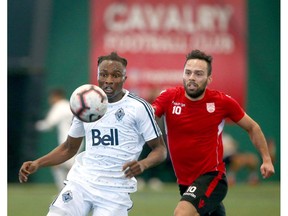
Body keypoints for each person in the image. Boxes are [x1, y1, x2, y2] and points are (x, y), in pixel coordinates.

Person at [19, 52, 167, 216]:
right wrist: (38, 163)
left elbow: (160, 149)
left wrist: (143, 164)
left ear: (124, 78)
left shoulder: (138, 107)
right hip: (82, 182)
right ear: (97, 75)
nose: (109, 80)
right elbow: (69, 148)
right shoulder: (85, 102)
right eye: (103, 74)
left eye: (116, 75)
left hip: (115, 190)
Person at [152, 49, 275, 216]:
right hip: (185, 182)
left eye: (198, 74)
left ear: (209, 78)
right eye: (188, 72)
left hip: (212, 177)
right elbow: (148, 117)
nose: (192, 78)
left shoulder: (222, 102)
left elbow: (253, 127)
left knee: (182, 213)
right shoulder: (169, 97)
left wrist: (266, 160)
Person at [35, 88, 81, 191]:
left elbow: (49, 124)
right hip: (78, 140)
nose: (49, 99)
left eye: (50, 97)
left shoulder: (59, 106)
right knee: (63, 167)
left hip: (67, 142)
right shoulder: (70, 105)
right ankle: (66, 193)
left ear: (56, 96)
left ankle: (69, 193)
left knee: (69, 167)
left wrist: (36, 126)